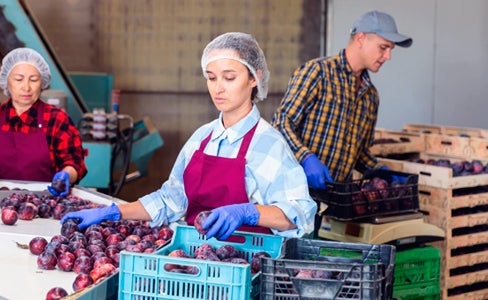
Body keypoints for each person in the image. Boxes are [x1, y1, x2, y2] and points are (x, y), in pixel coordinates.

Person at [61, 32, 317, 240]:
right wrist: (113, 212)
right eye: (211, 77)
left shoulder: (269, 144)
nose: (218, 88)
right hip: (194, 262)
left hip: (246, 268)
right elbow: (171, 199)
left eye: (229, 77)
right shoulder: (201, 138)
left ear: (254, 78)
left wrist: (248, 212)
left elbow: (300, 214)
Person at [272, 11, 413, 190]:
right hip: (293, 193)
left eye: (390, 50)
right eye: (383, 47)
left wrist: (379, 171)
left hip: (335, 200)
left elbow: (358, 153)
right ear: (361, 38)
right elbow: (281, 123)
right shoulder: (318, 73)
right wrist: (306, 158)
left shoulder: (370, 97)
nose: (388, 56)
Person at [0, 48, 87, 196]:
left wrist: (67, 175)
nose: (26, 87)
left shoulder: (56, 119)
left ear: (42, 82)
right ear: (7, 82)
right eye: (18, 79)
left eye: (34, 80)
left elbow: (74, 162)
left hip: (44, 204)